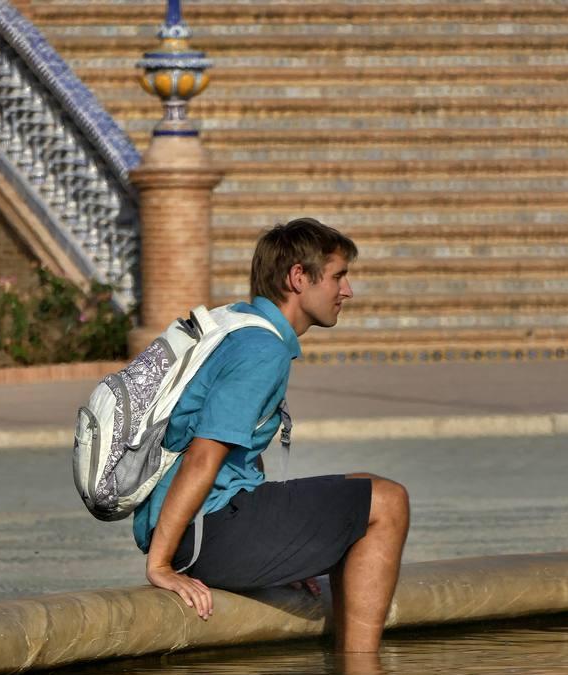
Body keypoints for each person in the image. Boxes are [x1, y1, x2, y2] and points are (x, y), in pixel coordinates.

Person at [133, 218, 409, 652]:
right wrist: (161, 566)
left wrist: (290, 547)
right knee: (388, 502)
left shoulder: (242, 326)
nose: (348, 291)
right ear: (299, 277)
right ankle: (360, 673)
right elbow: (204, 456)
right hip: (203, 537)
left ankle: (350, 668)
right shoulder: (262, 351)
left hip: (205, 527)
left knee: (360, 486)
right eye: (338, 276)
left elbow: (239, 455)